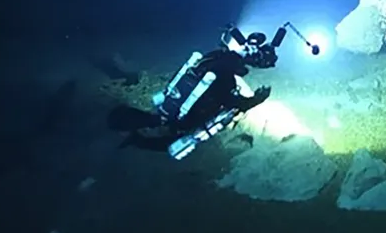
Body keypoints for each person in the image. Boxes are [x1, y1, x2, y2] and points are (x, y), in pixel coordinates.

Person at [107, 24, 284, 160]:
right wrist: (257, 99)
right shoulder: (225, 75)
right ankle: (134, 136)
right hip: (185, 119)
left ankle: (131, 131)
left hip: (172, 107)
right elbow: (233, 103)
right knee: (171, 141)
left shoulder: (214, 57)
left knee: (160, 124)